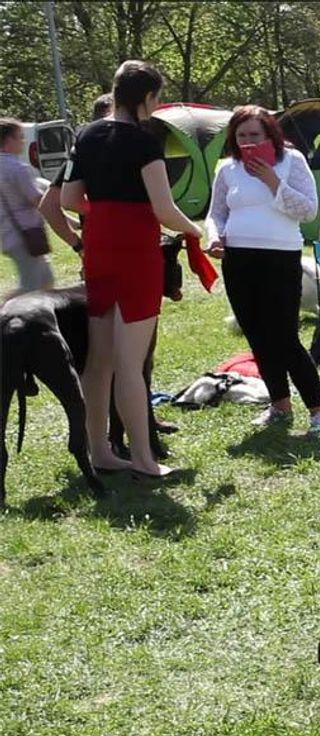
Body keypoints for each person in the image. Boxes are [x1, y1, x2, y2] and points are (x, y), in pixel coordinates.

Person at [61, 60, 201, 478]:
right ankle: (143, 459)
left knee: (99, 362)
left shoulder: (85, 135)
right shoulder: (144, 142)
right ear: (147, 98)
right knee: (130, 364)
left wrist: (104, 214)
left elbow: (69, 199)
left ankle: (100, 451)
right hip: (137, 254)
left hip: (98, 252)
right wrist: (197, 230)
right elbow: (164, 209)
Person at [205, 106, 320, 436]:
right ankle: (279, 404)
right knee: (257, 336)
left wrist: (273, 181)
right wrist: (215, 236)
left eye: (255, 135)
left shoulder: (292, 163)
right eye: (242, 136)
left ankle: (319, 412)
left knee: (285, 338)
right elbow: (215, 213)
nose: (248, 142)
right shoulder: (227, 169)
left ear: (271, 136)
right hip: (239, 260)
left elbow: (308, 211)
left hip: (280, 258)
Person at [39, 93, 113, 256]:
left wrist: (80, 246)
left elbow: (48, 206)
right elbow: (48, 206)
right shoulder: (83, 156)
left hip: (97, 248)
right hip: (107, 246)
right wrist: (79, 245)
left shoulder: (80, 156)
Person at [0, 118, 52, 294]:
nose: (23, 141)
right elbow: (37, 201)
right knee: (32, 290)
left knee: (46, 282)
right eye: (20, 137)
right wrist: (68, 220)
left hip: (9, 235)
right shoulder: (17, 168)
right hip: (25, 235)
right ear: (8, 141)